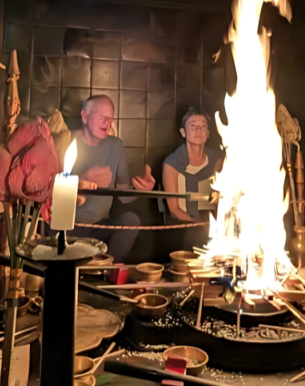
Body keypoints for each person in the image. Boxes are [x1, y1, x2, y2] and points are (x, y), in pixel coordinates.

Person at [67, 95, 155, 262]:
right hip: (69, 226)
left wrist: (141, 190)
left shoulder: (116, 146)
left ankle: (108, 269)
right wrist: (80, 181)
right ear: (85, 116)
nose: (107, 123)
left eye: (110, 118)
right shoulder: (65, 140)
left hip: (100, 225)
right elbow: (49, 190)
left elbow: (123, 194)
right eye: (102, 117)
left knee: (131, 220)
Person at [162, 109, 223, 247]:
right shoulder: (171, 163)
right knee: (193, 236)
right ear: (183, 132)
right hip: (181, 225)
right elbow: (175, 210)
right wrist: (199, 226)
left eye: (203, 126)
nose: (198, 130)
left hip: (210, 222)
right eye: (193, 126)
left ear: (208, 134)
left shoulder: (216, 160)